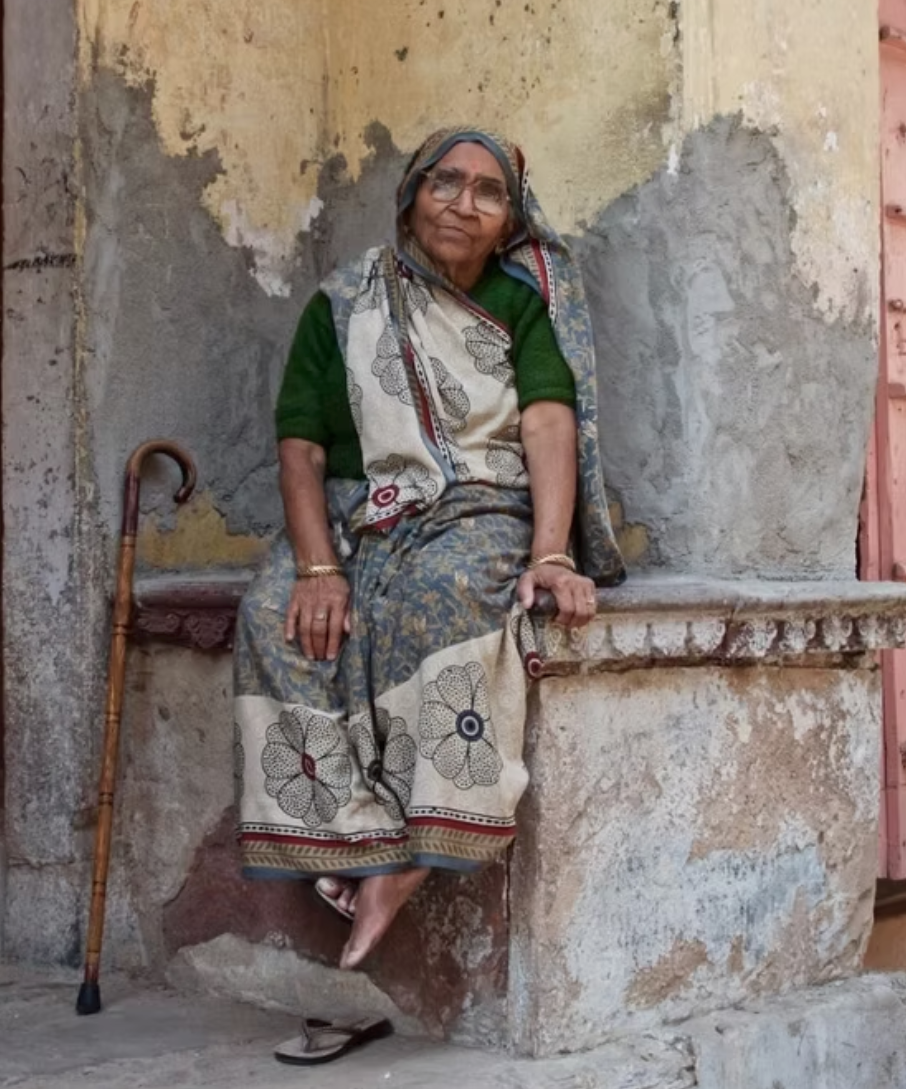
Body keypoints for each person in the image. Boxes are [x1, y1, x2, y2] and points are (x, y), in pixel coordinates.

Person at [232, 127, 625, 970]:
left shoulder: (521, 306)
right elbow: (299, 445)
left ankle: (410, 860)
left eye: (490, 193)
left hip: (475, 504)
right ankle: (352, 848)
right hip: (349, 514)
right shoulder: (343, 302)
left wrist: (551, 554)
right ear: (411, 194)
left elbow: (549, 419)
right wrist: (317, 568)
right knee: (273, 615)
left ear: (508, 220)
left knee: (442, 600)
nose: (464, 204)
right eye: (447, 182)